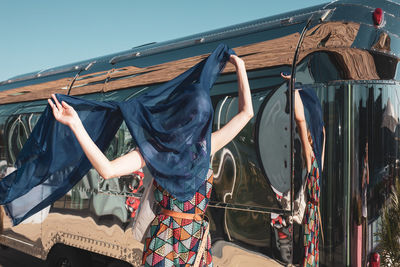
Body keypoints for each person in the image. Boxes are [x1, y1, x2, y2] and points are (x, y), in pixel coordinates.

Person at [48, 54, 253, 266]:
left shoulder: (203, 147)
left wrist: (241, 66)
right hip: (166, 239)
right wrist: (75, 125)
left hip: (197, 240)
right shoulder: (162, 149)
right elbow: (107, 170)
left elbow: (246, 113)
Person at [271, 73, 325, 267]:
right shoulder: (319, 159)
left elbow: (301, 120)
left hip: (308, 217)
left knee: (303, 258)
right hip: (313, 216)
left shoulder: (310, 158)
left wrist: (292, 87)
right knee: (310, 257)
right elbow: (318, 129)